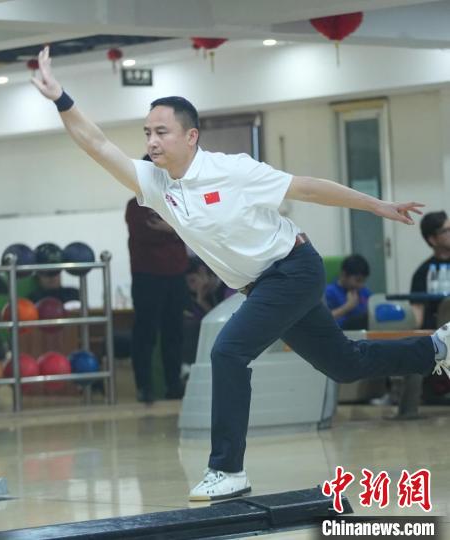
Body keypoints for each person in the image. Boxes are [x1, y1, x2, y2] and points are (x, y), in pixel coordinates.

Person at [32, 46, 450, 502]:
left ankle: (227, 469)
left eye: (161, 132)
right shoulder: (153, 183)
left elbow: (307, 188)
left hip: (293, 269)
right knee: (344, 365)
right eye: (147, 132)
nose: (151, 141)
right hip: (262, 285)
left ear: (191, 136)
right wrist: (61, 98)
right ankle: (436, 348)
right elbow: (96, 143)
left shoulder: (232, 170)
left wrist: (375, 205)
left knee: (229, 351)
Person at [126, 156, 189, 403]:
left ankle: (174, 385)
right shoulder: (136, 205)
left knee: (175, 333)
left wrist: (171, 228)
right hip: (147, 277)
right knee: (145, 333)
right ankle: (144, 387)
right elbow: (148, 232)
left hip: (176, 276)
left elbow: (190, 227)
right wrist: (176, 230)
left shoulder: (177, 201)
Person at [411, 211, 450, 329]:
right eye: (446, 231)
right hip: (435, 332)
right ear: (432, 239)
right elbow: (417, 313)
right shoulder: (423, 272)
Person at [325, 254, 371, 330]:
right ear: (344, 275)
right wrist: (348, 306)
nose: (361, 285)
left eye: (363, 281)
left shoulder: (363, 291)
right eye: (358, 280)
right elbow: (323, 320)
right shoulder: (330, 292)